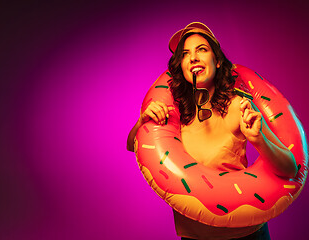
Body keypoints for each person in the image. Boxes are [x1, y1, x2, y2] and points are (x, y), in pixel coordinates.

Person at [127, 22, 297, 240]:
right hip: (194, 235)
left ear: (217, 61)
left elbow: (290, 168)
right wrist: (143, 121)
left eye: (202, 49)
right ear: (181, 65)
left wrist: (259, 138)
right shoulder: (174, 111)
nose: (193, 57)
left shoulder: (239, 105)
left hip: (245, 234)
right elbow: (133, 145)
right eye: (186, 53)